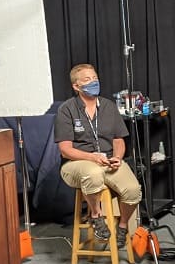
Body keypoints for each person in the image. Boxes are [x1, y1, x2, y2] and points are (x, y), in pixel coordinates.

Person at [54, 63, 142, 247]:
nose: (93, 82)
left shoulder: (109, 107)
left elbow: (118, 140)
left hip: (107, 160)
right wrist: (93, 157)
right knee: (93, 174)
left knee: (133, 190)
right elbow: (65, 149)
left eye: (94, 78)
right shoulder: (66, 110)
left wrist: (117, 157)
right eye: (87, 80)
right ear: (76, 86)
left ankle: (123, 226)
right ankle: (95, 215)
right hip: (77, 162)